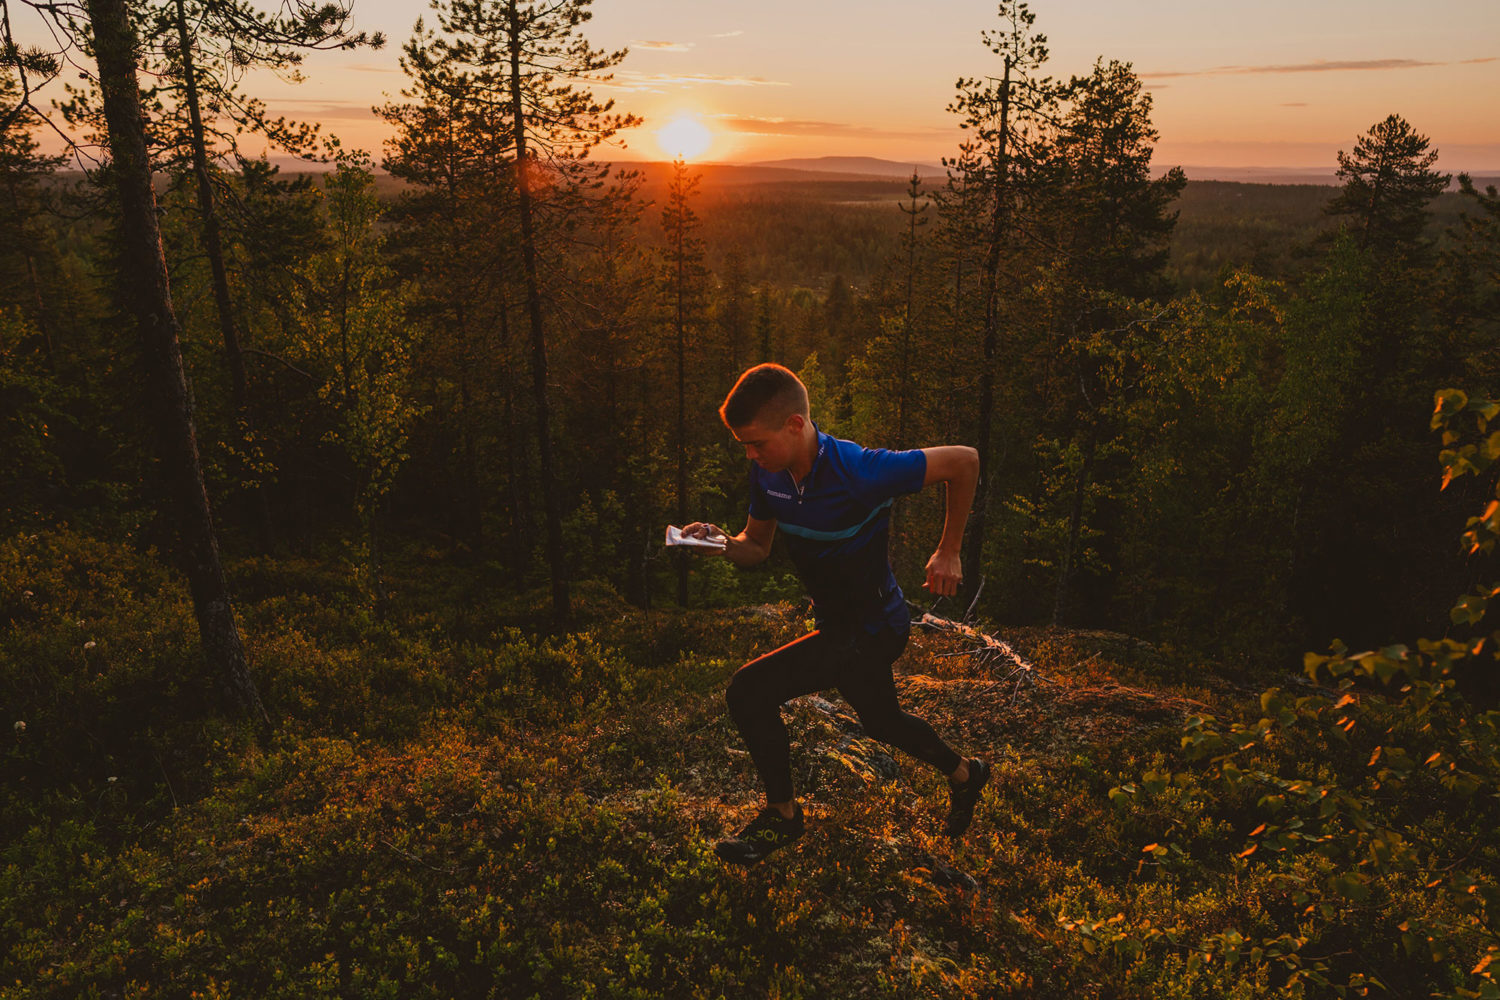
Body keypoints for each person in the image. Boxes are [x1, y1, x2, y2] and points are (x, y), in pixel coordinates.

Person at [682, 363, 989, 866]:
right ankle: (966, 773)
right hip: (836, 626)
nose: (751, 456)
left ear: (795, 425)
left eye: (756, 443)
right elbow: (756, 546)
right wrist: (718, 544)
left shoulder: (862, 471)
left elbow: (965, 460)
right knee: (882, 721)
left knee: (749, 691)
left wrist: (950, 549)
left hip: (876, 628)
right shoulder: (770, 475)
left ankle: (782, 817)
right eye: (744, 446)